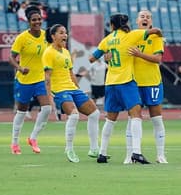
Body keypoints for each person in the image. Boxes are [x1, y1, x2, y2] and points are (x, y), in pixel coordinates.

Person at [90, 13, 162, 164]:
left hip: (110, 82)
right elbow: (154, 31)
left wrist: (106, 57)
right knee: (136, 115)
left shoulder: (107, 39)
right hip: (126, 81)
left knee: (110, 119)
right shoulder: (131, 35)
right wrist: (158, 33)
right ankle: (136, 152)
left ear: (112, 25)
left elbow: (92, 58)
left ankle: (102, 153)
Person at [43, 24, 100, 163]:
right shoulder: (48, 53)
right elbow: (47, 77)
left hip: (72, 88)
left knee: (95, 114)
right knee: (74, 116)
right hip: (60, 90)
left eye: (65, 33)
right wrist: (50, 98)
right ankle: (69, 148)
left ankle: (94, 149)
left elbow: (70, 73)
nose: (65, 35)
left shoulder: (66, 52)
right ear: (53, 36)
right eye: (61, 33)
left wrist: (78, 89)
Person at [123, 10, 168, 164]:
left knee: (156, 118)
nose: (145, 18)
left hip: (152, 82)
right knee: (133, 119)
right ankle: (131, 154)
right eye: (142, 16)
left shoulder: (156, 37)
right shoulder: (131, 37)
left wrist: (139, 55)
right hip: (133, 83)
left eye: (148, 17)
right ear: (137, 21)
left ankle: (161, 154)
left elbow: (158, 59)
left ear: (151, 22)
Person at [8, 5, 52, 155]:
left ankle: (33, 138)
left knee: (47, 108)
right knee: (21, 111)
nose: (37, 22)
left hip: (39, 79)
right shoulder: (22, 38)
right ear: (28, 21)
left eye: (39, 19)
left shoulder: (47, 36)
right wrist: (20, 68)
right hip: (24, 80)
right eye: (34, 20)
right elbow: (11, 58)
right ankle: (14, 143)